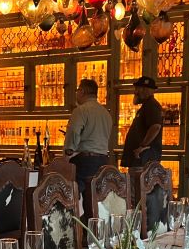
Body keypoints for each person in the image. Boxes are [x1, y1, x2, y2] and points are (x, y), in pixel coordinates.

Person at [122, 76, 165, 229]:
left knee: (141, 199)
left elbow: (155, 127)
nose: (136, 91)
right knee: (141, 198)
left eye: (139, 88)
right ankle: (143, 230)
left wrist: (142, 146)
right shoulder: (147, 106)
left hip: (143, 162)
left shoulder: (151, 106)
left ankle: (143, 232)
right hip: (141, 161)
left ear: (147, 90)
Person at [63, 78, 113, 211]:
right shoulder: (106, 113)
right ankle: (93, 226)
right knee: (97, 198)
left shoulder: (81, 110)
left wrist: (68, 151)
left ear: (83, 91)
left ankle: (77, 229)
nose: (76, 93)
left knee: (73, 197)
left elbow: (73, 131)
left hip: (85, 161)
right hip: (103, 160)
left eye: (78, 90)